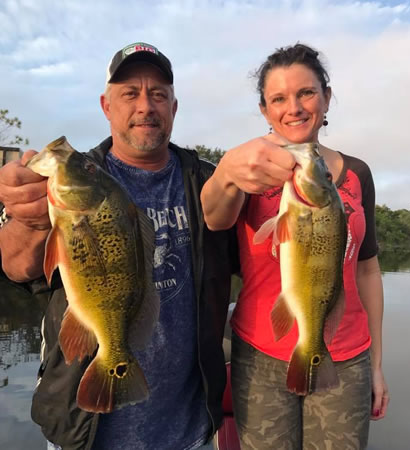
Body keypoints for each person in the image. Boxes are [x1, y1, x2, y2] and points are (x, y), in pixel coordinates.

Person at [0, 42, 238, 449]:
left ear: (174, 107)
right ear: (106, 106)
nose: (145, 106)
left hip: (189, 429)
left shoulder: (209, 183)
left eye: (158, 94)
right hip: (84, 430)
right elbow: (17, 266)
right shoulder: (74, 179)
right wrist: (28, 218)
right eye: (130, 94)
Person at [200, 43, 388, 449]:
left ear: (326, 98)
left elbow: (368, 270)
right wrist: (226, 171)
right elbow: (213, 218)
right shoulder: (248, 168)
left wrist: (376, 365)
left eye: (306, 93)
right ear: (264, 110)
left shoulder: (357, 173)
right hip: (261, 353)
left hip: (345, 354)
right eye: (279, 99)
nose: (295, 108)